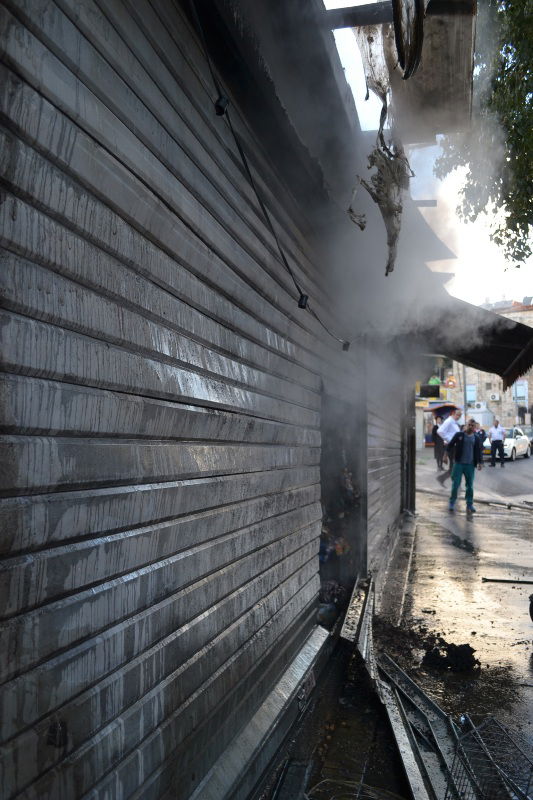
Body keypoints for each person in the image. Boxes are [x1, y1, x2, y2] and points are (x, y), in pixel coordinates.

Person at [447, 418, 483, 514]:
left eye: (472, 425)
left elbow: (479, 451)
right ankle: (452, 502)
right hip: (459, 464)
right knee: (455, 484)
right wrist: (445, 455)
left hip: (470, 465)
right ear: (466, 425)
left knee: (470, 486)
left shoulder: (476, 438)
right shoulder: (459, 435)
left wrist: (480, 463)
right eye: (469, 425)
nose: (470, 427)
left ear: (475, 427)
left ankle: (469, 504)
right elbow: (450, 445)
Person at [436, 409, 462, 485]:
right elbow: (440, 431)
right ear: (453, 414)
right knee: (455, 466)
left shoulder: (454, 422)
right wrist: (450, 440)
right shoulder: (449, 421)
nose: (458, 417)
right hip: (452, 447)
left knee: (455, 466)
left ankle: (442, 479)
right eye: (457, 415)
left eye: (460, 416)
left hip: (455, 446)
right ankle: (455, 484)